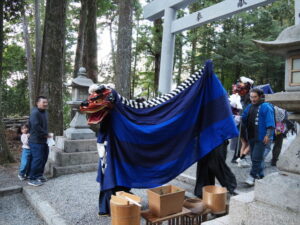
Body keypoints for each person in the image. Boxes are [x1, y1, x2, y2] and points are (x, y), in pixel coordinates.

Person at [242, 88, 275, 186]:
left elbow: (270, 122)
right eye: (251, 97)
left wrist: (268, 135)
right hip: (251, 136)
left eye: (255, 97)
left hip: (262, 137)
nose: (253, 99)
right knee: (254, 158)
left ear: (260, 96)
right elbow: (243, 117)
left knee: (256, 158)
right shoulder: (249, 106)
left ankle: (252, 176)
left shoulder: (266, 106)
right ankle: (261, 175)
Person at [28, 96, 49, 187]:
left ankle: (39, 175)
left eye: (46, 102)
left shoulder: (44, 112)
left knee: (43, 158)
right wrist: (46, 134)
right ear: (37, 103)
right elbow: (36, 127)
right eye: (43, 102)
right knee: (37, 159)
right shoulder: (35, 113)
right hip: (36, 141)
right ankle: (32, 178)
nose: (45, 104)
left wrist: (46, 135)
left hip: (44, 140)